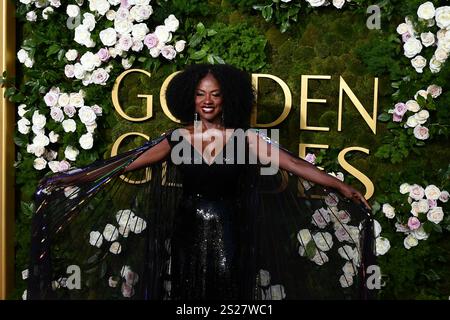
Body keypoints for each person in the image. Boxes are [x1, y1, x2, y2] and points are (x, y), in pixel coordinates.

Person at [27, 63, 374, 300]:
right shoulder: (177, 137)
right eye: (200, 94)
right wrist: (77, 177)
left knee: (227, 292)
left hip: (229, 229)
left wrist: (340, 185)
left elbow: (294, 165)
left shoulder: (245, 138)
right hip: (187, 230)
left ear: (227, 99)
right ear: (190, 98)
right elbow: (125, 164)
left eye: (216, 94)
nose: (207, 101)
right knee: (186, 292)